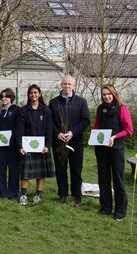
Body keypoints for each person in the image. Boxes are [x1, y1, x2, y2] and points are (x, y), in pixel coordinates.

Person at [49, 75, 90, 208]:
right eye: (65, 84)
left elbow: (85, 120)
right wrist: (58, 133)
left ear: (73, 86)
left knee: (76, 170)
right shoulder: (54, 102)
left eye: (69, 84)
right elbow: (50, 122)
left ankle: (77, 197)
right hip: (59, 141)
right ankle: (62, 195)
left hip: (75, 142)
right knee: (61, 169)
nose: (67, 86)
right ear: (61, 85)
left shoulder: (81, 102)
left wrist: (72, 132)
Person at [93, 84, 133, 221]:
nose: (106, 96)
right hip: (101, 149)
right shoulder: (100, 109)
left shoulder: (122, 108)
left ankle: (120, 210)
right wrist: (93, 138)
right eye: (104, 94)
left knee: (118, 178)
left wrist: (115, 137)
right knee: (103, 178)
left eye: (108, 94)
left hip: (116, 149)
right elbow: (97, 126)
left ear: (113, 94)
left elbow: (129, 130)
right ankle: (105, 207)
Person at [16, 84, 55, 205]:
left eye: (35, 92)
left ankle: (38, 195)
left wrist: (47, 146)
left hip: (42, 147)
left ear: (40, 94)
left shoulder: (46, 110)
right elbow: (19, 130)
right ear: (28, 95)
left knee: (41, 172)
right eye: (31, 93)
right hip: (27, 147)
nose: (33, 95)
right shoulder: (23, 111)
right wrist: (20, 146)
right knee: (26, 172)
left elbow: (50, 130)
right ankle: (24, 195)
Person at [0, 88, 20, 198]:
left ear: (11, 98)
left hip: (12, 145)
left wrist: (14, 140)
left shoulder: (17, 110)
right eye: (3, 96)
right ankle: (2, 192)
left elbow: (18, 127)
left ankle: (13, 192)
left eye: (7, 96)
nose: (4, 98)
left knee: (13, 169)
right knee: (0, 169)